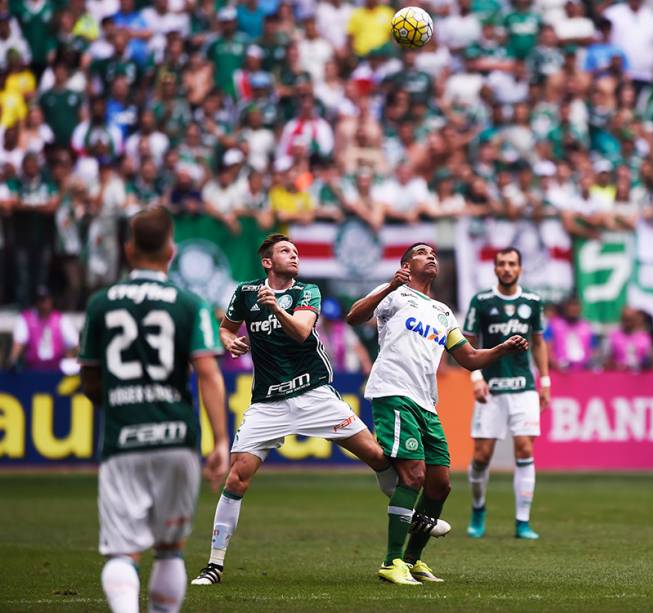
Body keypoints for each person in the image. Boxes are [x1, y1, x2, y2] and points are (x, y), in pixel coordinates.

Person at [190, 233, 402, 587]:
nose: (295, 256)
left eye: (297, 251)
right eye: (286, 251)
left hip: (313, 393)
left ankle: (413, 514)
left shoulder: (308, 292)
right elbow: (224, 329)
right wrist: (231, 342)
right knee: (237, 476)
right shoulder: (245, 293)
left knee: (377, 455)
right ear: (267, 262)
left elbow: (302, 332)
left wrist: (275, 307)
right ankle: (214, 564)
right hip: (268, 402)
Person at [346, 243, 529, 586]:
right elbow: (354, 316)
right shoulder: (394, 293)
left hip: (426, 401)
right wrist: (389, 285)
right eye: (420, 252)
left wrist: (503, 349)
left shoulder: (444, 312)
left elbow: (469, 357)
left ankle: (414, 560)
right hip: (393, 391)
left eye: (433, 253)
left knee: (440, 485)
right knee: (413, 476)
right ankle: (391, 562)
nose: (430, 256)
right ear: (405, 264)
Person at [78, 206, 230, 613]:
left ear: (128, 251)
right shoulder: (189, 303)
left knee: (123, 553)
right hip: (177, 438)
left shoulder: (100, 304)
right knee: (169, 550)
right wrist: (220, 440)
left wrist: (117, 402)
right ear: (171, 251)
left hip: (123, 438)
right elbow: (209, 374)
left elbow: (89, 378)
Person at [462, 247, 550, 540]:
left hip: (523, 387)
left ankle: (522, 522)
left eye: (512, 264)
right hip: (491, 389)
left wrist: (545, 381)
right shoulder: (482, 301)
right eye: (502, 264)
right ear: (495, 269)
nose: (507, 268)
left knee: (525, 449)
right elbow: (466, 343)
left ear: (520, 269)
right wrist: (475, 377)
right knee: (481, 456)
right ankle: (478, 509)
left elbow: (538, 342)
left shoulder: (533, 301)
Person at [8, 287, 79, 371]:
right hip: (33, 370)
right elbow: (18, 343)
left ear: (51, 301)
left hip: (57, 370)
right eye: (41, 300)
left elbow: (74, 345)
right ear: (36, 302)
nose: (44, 304)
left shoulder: (61, 319)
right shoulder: (26, 319)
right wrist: (12, 360)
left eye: (46, 300)